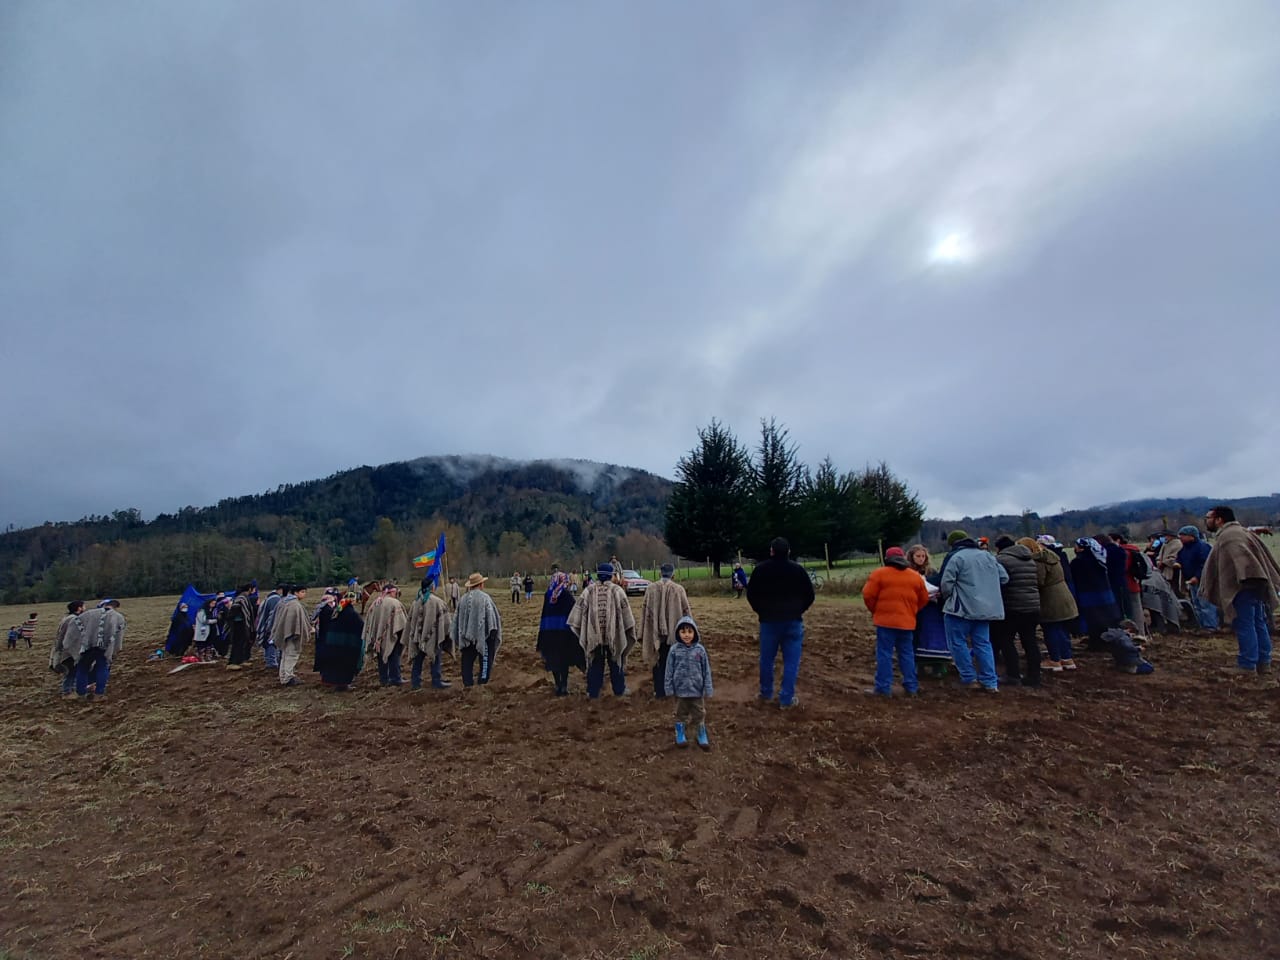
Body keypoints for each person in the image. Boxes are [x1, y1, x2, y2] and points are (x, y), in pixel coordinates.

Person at [1200, 505, 1280, 675]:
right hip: (1254, 585)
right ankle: (1263, 662)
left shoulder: (1230, 536)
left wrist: (1241, 581)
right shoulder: (1241, 531)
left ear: (1219, 519)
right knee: (1258, 623)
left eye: (1208, 518)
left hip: (1242, 587)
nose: (1206, 521)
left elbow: (1242, 563)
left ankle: (1247, 664)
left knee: (1245, 625)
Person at [747, 537, 815, 708]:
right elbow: (810, 595)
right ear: (789, 552)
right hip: (792, 621)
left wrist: (760, 611)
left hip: (769, 622)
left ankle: (766, 693)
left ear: (771, 551)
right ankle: (786, 699)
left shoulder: (760, 570)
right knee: (791, 661)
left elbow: (751, 594)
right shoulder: (798, 570)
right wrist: (798, 610)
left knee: (766, 660)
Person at [937, 530, 1007, 693]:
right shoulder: (988, 557)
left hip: (960, 610)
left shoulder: (957, 558)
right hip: (985, 611)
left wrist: (949, 598)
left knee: (957, 643)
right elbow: (1004, 578)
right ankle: (990, 681)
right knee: (983, 644)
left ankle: (969, 678)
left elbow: (946, 584)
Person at [862, 547, 929, 697]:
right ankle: (911, 687)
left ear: (887, 558)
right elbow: (924, 598)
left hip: (885, 622)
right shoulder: (915, 576)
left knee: (884, 654)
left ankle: (883, 688)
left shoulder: (879, 574)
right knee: (907, 654)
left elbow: (868, 595)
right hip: (907, 622)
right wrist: (912, 611)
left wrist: (876, 610)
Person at [568, 561, 638, 698]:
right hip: (615, 636)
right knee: (615, 661)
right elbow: (627, 617)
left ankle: (593, 692)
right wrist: (628, 630)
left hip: (593, 636)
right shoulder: (618, 591)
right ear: (611, 575)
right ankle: (619, 690)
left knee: (595, 663)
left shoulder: (588, 590)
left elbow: (577, 616)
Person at [1019, 537, 1078, 671]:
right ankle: (1067, 658)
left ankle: (1055, 660)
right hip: (1064, 595)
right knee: (1062, 629)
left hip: (1050, 598)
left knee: (1050, 628)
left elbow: (1039, 581)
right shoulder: (1052, 557)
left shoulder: (1038, 561)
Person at [994, 536, 1041, 687]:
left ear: (999, 548)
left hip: (1013, 606)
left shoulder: (1002, 560)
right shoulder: (1029, 559)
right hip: (1033, 606)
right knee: (1030, 641)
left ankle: (1013, 674)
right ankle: (1034, 676)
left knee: (1006, 640)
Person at [639, 562, 692, 699]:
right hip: (674, 634)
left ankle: (659, 691)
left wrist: (643, 631)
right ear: (673, 574)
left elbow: (645, 610)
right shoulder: (679, 589)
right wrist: (690, 631)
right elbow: (686, 611)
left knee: (657, 661)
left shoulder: (650, 589)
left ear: (659, 573)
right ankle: (673, 690)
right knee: (674, 660)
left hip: (655, 633)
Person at [664, 615, 713, 749]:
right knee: (680, 713)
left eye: (690, 631)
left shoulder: (700, 650)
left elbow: (706, 670)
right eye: (683, 631)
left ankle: (701, 732)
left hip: (697, 690)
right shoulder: (674, 650)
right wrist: (668, 687)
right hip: (680, 690)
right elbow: (669, 670)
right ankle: (680, 732)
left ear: (695, 632)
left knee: (699, 713)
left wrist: (708, 688)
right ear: (678, 633)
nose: (686, 635)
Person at [536, 571, 583, 695]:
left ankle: (557, 684)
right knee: (564, 659)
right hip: (563, 631)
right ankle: (564, 685)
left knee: (553, 658)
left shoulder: (548, 594)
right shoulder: (566, 594)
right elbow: (575, 609)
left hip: (549, 631)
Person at [454, 573, 503, 686]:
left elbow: (457, 619)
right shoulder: (485, 598)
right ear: (481, 584)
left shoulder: (463, 599)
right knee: (485, 660)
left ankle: (468, 683)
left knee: (467, 660)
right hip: (484, 636)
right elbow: (491, 618)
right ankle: (482, 681)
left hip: (466, 636)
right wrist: (492, 634)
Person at [905, 544, 949, 667]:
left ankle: (937, 663)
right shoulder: (908, 571)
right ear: (911, 557)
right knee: (917, 635)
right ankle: (918, 663)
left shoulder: (931, 572)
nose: (921, 558)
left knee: (932, 634)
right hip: (916, 608)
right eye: (918, 556)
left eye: (923, 556)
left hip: (931, 608)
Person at [406, 578, 453, 690]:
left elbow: (410, 620)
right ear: (432, 587)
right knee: (435, 658)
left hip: (417, 638)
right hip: (433, 637)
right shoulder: (437, 601)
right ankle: (436, 681)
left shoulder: (415, 602)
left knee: (418, 659)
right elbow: (446, 622)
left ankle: (415, 681)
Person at [314, 590, 366, 691]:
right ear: (352, 601)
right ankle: (343, 684)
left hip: (333, 644)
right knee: (345, 665)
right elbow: (361, 626)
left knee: (335, 664)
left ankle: (333, 682)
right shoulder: (352, 614)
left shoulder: (337, 612)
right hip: (347, 645)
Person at [75, 599, 126, 700]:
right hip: (105, 647)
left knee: (82, 668)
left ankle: (81, 693)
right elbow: (118, 636)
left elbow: (76, 624)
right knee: (102, 667)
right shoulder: (119, 617)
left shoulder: (89, 613)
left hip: (87, 646)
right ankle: (99, 694)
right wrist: (115, 650)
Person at [364, 581, 408, 688]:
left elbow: (370, 621)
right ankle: (395, 678)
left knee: (381, 657)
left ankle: (384, 679)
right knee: (394, 656)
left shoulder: (375, 603)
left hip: (378, 637)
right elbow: (402, 622)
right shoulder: (394, 603)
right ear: (392, 592)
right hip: (393, 634)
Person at [1176, 525, 1218, 629]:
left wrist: (1197, 577)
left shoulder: (1203, 547)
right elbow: (1180, 558)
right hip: (1191, 582)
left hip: (1204, 581)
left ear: (1192, 536)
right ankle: (1201, 625)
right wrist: (1177, 563)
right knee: (1196, 604)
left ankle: (1211, 627)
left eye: (1183, 535)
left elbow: (1205, 565)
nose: (1180, 537)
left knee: (1206, 605)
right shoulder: (1184, 549)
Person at [271, 584, 312, 687]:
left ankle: (284, 676)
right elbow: (294, 622)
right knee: (291, 655)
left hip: (286, 634)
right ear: (296, 593)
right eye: (302, 592)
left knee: (285, 656)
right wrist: (296, 633)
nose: (304, 594)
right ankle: (288, 677)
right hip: (292, 636)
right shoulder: (294, 605)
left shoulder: (285, 602)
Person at [49, 600, 85, 698]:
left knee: (72, 670)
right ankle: (67, 691)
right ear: (79, 608)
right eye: (83, 606)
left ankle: (71, 689)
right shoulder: (74, 619)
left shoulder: (68, 618)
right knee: (71, 671)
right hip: (68, 649)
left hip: (65, 648)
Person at [226, 585, 257, 669]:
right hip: (238, 624)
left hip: (243, 624)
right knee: (237, 643)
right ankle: (232, 662)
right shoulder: (241, 598)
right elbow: (234, 612)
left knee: (243, 642)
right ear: (249, 589)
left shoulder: (245, 598)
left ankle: (241, 660)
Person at [257, 584, 286, 669]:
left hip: (266, 624)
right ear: (280, 590)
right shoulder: (275, 599)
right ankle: (271, 663)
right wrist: (272, 627)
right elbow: (273, 615)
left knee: (269, 643)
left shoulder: (270, 597)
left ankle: (271, 661)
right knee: (271, 644)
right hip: (270, 626)